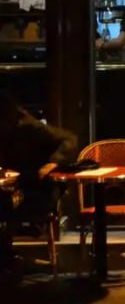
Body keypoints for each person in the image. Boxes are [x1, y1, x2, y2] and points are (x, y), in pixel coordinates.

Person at [0, 93, 76, 237]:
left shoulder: (29, 127)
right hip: (19, 186)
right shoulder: (7, 130)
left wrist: (54, 162)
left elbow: (69, 140)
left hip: (39, 189)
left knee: (5, 206)